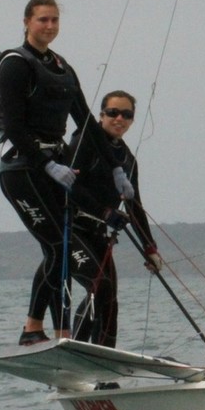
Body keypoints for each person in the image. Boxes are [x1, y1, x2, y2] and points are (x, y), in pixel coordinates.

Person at [0, 0, 132, 346]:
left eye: (55, 20)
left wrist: (117, 168)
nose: (50, 26)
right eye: (43, 20)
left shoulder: (61, 66)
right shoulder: (13, 64)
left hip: (52, 168)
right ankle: (46, 332)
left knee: (57, 248)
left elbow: (85, 119)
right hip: (23, 170)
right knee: (58, 246)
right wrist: (48, 164)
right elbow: (13, 126)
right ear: (26, 22)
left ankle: (42, 331)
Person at [63, 90, 163, 348]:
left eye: (127, 115)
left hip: (99, 235)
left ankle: (103, 361)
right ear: (101, 115)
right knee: (101, 286)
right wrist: (105, 212)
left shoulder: (127, 159)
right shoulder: (85, 140)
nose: (119, 119)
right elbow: (68, 186)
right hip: (69, 230)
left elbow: (134, 206)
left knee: (109, 297)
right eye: (113, 113)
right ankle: (78, 350)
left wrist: (149, 248)